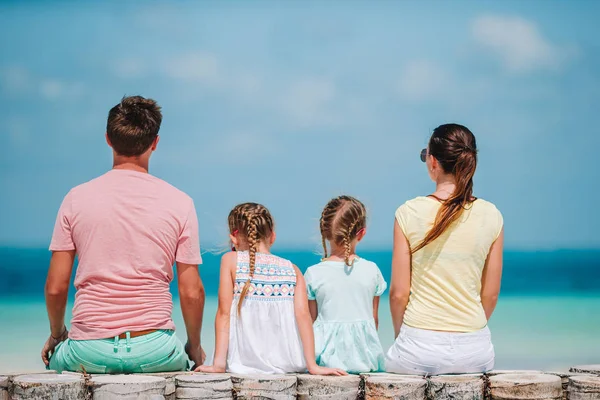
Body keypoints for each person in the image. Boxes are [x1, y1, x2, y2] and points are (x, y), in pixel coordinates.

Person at [43, 96, 206, 374]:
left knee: (54, 362)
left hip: (87, 349)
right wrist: (194, 345)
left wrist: (58, 335)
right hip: (155, 348)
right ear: (155, 142)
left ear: (108, 139)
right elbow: (191, 292)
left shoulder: (75, 198)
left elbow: (56, 287)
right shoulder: (180, 202)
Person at [386, 123, 503, 375]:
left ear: (433, 162)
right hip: (476, 350)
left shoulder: (408, 212)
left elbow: (398, 294)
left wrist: (401, 336)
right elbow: (490, 295)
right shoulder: (492, 215)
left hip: (419, 346)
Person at [196, 203, 346, 376]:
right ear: (272, 236)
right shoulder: (293, 270)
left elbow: (224, 313)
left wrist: (218, 364)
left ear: (234, 238)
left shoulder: (231, 261)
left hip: (243, 362)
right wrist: (312, 365)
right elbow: (304, 317)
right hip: (288, 362)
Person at [305, 195, 387, 374]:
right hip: (366, 359)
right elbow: (374, 321)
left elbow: (311, 322)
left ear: (325, 233)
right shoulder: (372, 270)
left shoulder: (314, 273)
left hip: (325, 360)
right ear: (361, 233)